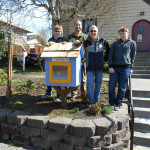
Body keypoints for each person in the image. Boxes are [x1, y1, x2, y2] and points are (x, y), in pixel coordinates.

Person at [108, 26, 136, 110]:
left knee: (122, 87)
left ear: (127, 33)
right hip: (115, 69)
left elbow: (132, 56)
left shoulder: (132, 43)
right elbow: (110, 56)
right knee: (112, 86)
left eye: (124, 33)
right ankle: (112, 103)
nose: (122, 35)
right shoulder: (115, 44)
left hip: (125, 68)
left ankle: (118, 103)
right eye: (120, 33)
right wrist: (111, 66)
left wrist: (131, 68)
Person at [83, 25, 110, 105]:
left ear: (97, 32)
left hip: (99, 67)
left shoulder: (102, 41)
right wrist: (83, 58)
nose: (93, 32)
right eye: (91, 31)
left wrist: (104, 59)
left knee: (98, 84)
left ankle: (96, 100)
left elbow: (109, 49)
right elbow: (79, 51)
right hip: (89, 67)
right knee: (90, 85)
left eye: (94, 31)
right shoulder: (85, 42)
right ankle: (91, 101)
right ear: (89, 32)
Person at [41, 25, 67, 99]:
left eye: (59, 31)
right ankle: (48, 93)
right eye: (56, 31)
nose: (57, 32)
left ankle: (59, 96)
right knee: (50, 77)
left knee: (59, 78)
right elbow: (47, 48)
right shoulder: (50, 39)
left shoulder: (63, 39)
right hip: (51, 61)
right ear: (54, 31)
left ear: (61, 32)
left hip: (60, 61)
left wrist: (64, 44)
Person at [67, 20, 88, 100]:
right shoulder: (70, 37)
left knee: (83, 78)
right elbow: (68, 47)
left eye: (79, 25)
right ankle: (74, 95)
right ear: (74, 26)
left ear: (81, 26)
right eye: (76, 25)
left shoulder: (86, 37)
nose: (78, 26)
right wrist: (73, 43)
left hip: (83, 60)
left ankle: (83, 94)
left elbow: (88, 48)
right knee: (73, 77)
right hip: (73, 61)